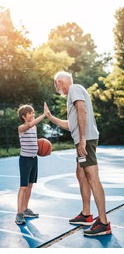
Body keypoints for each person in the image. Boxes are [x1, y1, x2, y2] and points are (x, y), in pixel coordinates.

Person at [44, 71, 111, 236]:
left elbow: (82, 111)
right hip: (83, 139)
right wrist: (51, 117)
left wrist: (82, 140)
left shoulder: (74, 89)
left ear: (60, 82)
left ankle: (103, 223)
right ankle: (86, 214)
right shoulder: (74, 93)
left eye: (57, 86)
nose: (59, 90)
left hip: (85, 140)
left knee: (92, 178)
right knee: (81, 174)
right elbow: (70, 124)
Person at [15, 104, 46, 225]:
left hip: (34, 159)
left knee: (30, 186)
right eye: (30, 113)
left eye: (33, 113)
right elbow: (29, 125)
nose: (33, 115)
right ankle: (19, 213)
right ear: (23, 116)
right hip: (25, 160)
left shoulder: (34, 128)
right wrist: (44, 115)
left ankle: (25, 209)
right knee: (23, 187)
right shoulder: (21, 128)